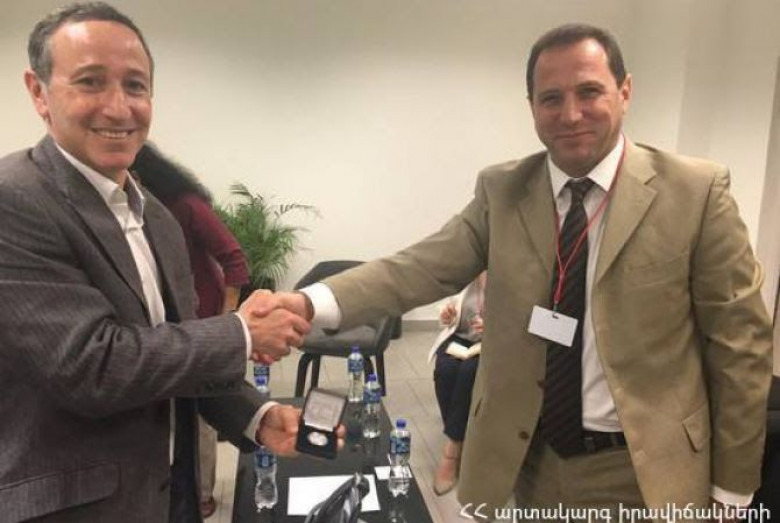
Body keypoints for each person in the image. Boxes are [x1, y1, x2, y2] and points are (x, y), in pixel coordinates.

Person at [271, 23, 774, 519]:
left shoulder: (694, 192)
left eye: (589, 91)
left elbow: (741, 344)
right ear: (531, 106)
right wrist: (306, 303)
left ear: (625, 91)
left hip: (643, 470)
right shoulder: (503, 190)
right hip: (530, 461)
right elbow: (420, 267)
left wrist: (732, 491)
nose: (570, 114)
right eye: (551, 98)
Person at [0, 4, 338, 522]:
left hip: (168, 496)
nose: (119, 108)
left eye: (135, 86)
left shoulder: (156, 216)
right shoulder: (15, 200)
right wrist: (241, 333)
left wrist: (258, 416)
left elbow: (175, 355)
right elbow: (91, 366)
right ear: (38, 92)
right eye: (90, 82)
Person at [132, 143, 250, 518]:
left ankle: (202, 494)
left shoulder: (186, 205)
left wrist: (226, 321)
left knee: (199, 415)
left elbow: (235, 261)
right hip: (159, 327)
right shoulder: (124, 211)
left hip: (202, 321)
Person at [428, 272, 485, 496]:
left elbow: (520, 320)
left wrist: (495, 326)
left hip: (492, 342)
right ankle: (459, 433)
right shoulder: (468, 274)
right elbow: (449, 315)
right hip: (460, 339)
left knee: (468, 373)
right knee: (446, 369)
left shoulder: (510, 277)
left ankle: (452, 449)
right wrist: (447, 314)